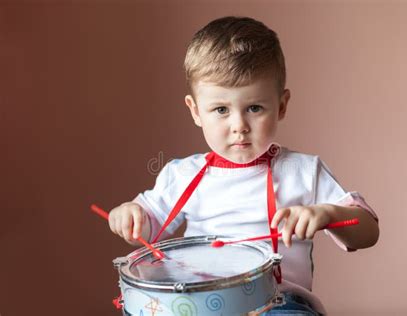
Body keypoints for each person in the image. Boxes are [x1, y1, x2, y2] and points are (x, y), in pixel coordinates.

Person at [108, 16, 379, 315]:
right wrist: (130, 214)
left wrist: (328, 214)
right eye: (221, 109)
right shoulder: (181, 174)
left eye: (254, 108)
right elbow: (146, 222)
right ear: (196, 111)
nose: (239, 126)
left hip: (278, 302)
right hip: (200, 304)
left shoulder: (303, 171)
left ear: (282, 106)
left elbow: (367, 230)